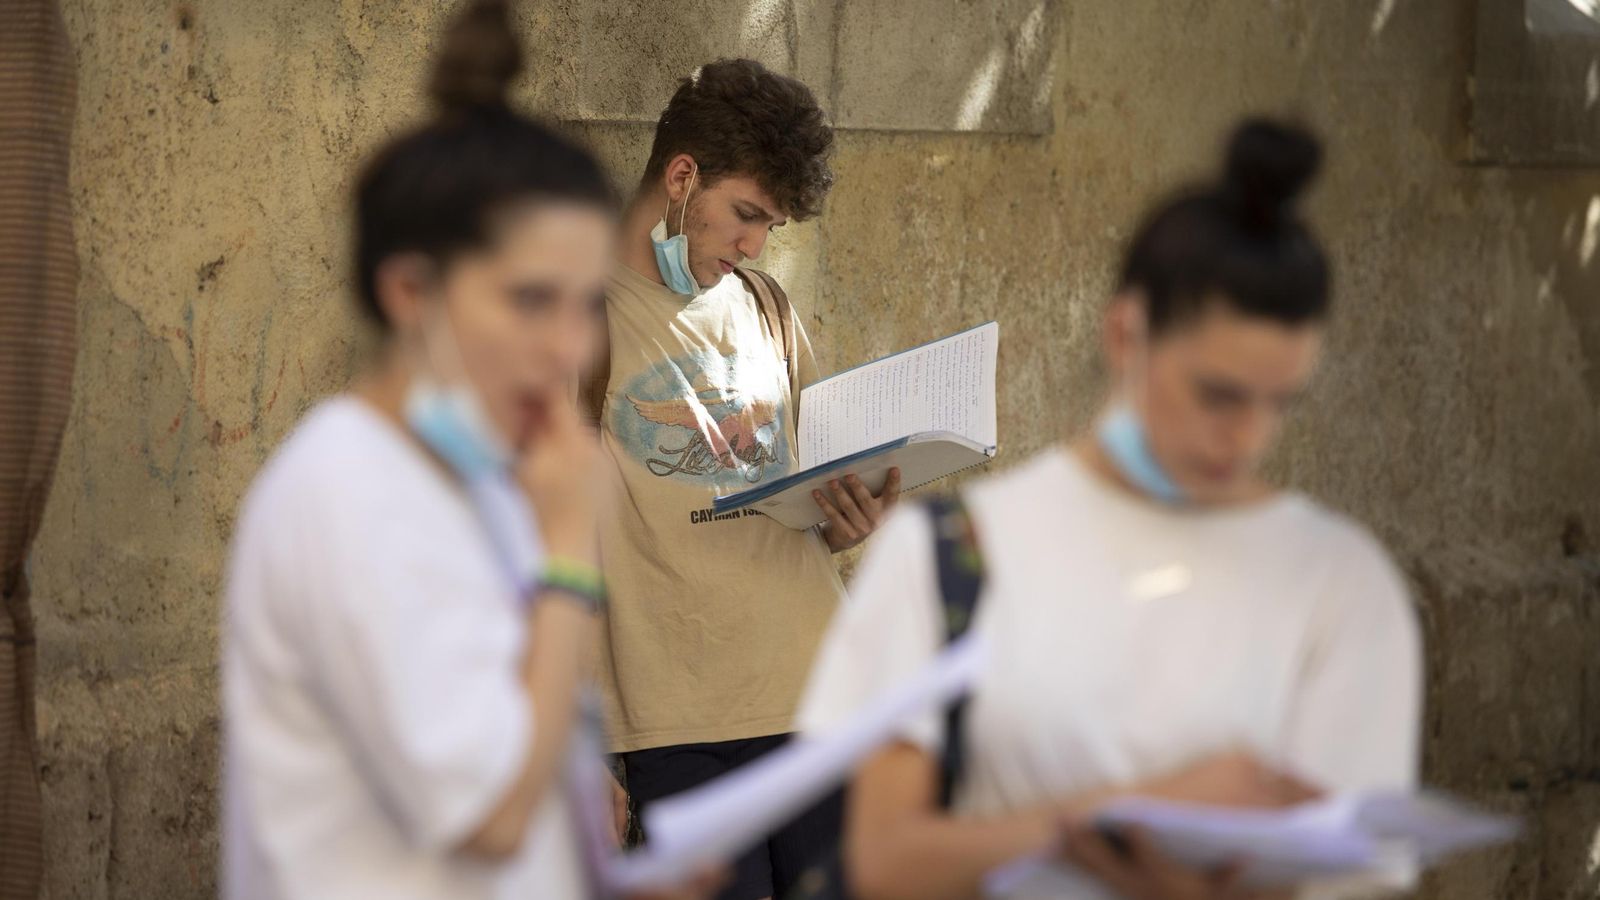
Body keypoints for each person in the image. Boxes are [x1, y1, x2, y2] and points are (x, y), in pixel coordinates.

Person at [797, 120, 1423, 900]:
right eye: (1219, 393)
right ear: (1127, 334)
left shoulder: (1340, 583)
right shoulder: (946, 552)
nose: (1248, 437)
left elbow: (1355, 879)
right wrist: (1122, 817)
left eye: (1280, 403)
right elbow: (882, 863)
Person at [222, 3, 716, 897]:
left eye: (582, 306)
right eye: (531, 301)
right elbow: (489, 817)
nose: (570, 349)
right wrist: (570, 554)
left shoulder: (483, 477)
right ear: (412, 292)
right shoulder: (348, 490)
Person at [584, 58, 900, 900]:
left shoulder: (766, 305)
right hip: (676, 734)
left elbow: (810, 499)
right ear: (682, 176)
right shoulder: (575, 318)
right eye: (746, 215)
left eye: (772, 226)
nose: (756, 245)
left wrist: (848, 516)